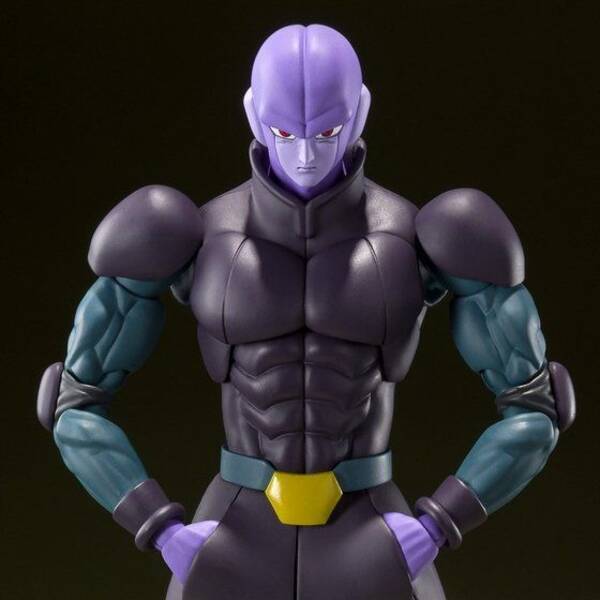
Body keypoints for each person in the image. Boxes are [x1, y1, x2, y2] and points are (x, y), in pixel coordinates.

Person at [37, 24, 575, 600]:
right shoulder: (194, 234)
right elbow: (72, 404)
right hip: (235, 525)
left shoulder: (421, 238)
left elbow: (536, 409)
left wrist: (438, 524)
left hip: (369, 522)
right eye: (284, 132)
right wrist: (160, 528)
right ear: (253, 115)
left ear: (360, 112)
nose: (304, 155)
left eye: (327, 132)